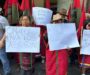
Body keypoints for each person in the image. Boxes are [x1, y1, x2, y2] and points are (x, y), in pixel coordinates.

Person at [46, 8, 69, 75]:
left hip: (62, 53)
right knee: (52, 69)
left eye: (61, 20)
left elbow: (70, 41)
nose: (59, 22)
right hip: (52, 53)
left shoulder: (67, 28)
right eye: (57, 21)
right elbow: (45, 38)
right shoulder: (49, 29)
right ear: (54, 21)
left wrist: (69, 46)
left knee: (62, 69)